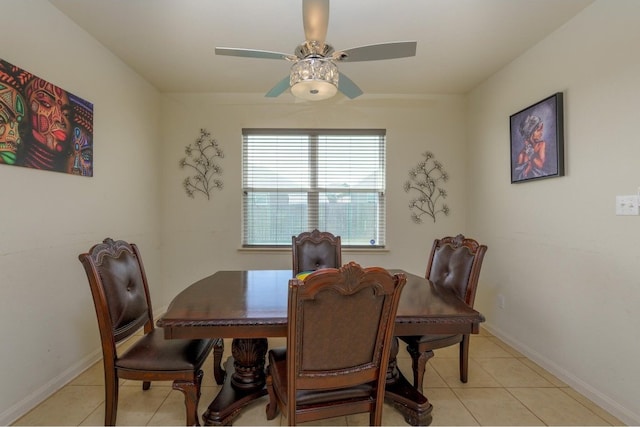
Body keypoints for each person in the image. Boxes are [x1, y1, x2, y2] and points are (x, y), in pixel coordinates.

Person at [514, 115, 546, 180]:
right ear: (531, 133)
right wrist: (528, 167)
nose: (541, 133)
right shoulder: (522, 154)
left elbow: (541, 165)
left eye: (541, 130)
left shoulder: (541, 144)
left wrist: (532, 156)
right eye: (538, 130)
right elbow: (519, 177)